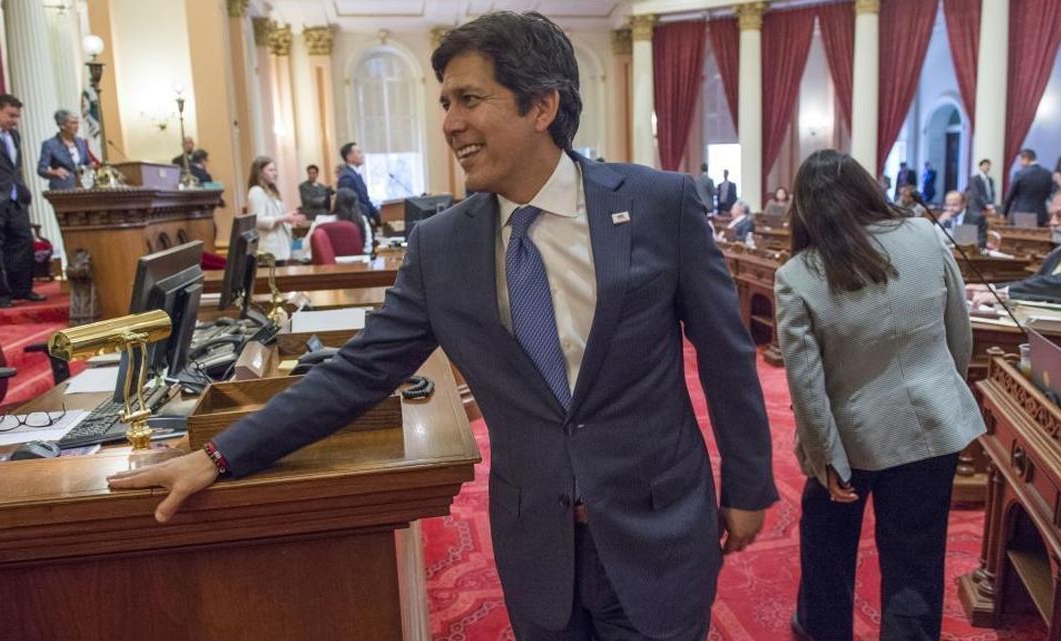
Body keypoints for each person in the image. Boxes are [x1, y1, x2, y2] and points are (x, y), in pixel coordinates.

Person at [107, 11, 777, 641]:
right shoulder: (441, 248)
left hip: (660, 534)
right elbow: (360, 370)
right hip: (539, 550)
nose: (450, 123)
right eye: (444, 103)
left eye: (469, 99)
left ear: (542, 106)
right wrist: (218, 454)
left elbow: (724, 355)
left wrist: (748, 485)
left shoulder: (659, 205)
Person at [775, 149, 984, 641]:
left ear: (805, 207)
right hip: (933, 425)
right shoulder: (927, 236)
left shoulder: (799, 274)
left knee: (827, 545)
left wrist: (824, 458)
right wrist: (943, 393)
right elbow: (960, 333)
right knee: (917, 554)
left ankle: (821, 628)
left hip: (850, 440)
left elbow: (806, 384)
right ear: (868, 187)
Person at [971, 182, 1061, 389]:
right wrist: (991, 288)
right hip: (1052, 339)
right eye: (1052, 215)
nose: (1052, 222)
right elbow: (1036, 285)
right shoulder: (1060, 253)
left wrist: (1004, 292)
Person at [0, 94, 44, 309]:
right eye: (11, 115)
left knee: (23, 243)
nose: (14, 120)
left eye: (17, 116)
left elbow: (14, 168)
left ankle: (22, 289)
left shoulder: (13, 135)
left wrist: (23, 192)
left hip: (14, 201)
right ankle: (2, 296)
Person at [245, 156, 306, 263]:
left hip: (281, 248)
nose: (275, 173)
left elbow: (277, 215)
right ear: (260, 173)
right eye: (271, 170)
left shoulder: (271, 191)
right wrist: (284, 218)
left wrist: (291, 217)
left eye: (275, 170)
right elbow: (258, 220)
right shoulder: (256, 192)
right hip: (269, 248)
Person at [37, 109, 93, 190]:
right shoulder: (50, 144)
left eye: (77, 122)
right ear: (62, 125)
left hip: (83, 188)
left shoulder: (80, 142)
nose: (77, 126)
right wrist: (54, 172)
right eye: (73, 123)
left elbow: (88, 163)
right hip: (62, 190)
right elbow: (41, 170)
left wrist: (90, 168)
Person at [1003, 148, 1053, 226]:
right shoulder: (1048, 174)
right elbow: (1049, 193)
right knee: (1038, 237)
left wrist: (1004, 213)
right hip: (1041, 215)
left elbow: (1010, 195)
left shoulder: (1020, 173)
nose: (1019, 163)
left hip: (1022, 213)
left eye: (1020, 160)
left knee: (1021, 237)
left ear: (1026, 158)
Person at [336, 142, 381, 227]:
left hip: (364, 221)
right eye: (359, 152)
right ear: (349, 157)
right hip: (357, 224)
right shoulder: (347, 177)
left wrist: (379, 218)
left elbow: (365, 200)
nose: (362, 155)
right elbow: (351, 207)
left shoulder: (355, 174)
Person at [333, 187, 372, 254]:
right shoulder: (362, 221)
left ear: (337, 203)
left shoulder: (321, 220)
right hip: (360, 262)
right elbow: (368, 249)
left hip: (330, 263)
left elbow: (309, 252)